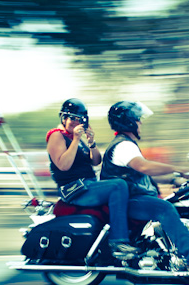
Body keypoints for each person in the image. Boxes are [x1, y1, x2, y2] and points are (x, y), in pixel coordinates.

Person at [100, 100, 189, 272]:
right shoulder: (123, 146)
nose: (140, 123)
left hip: (134, 196)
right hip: (128, 201)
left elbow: (141, 177)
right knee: (164, 209)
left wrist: (175, 180)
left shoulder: (127, 145)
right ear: (128, 121)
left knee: (175, 203)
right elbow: (144, 167)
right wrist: (177, 169)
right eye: (137, 119)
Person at [46, 98, 137, 257]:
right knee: (118, 185)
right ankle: (118, 241)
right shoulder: (57, 136)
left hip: (87, 184)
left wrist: (91, 142)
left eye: (79, 119)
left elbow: (96, 161)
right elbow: (63, 165)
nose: (76, 122)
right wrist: (75, 140)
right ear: (63, 118)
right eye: (72, 118)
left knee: (124, 184)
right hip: (73, 189)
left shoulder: (76, 139)